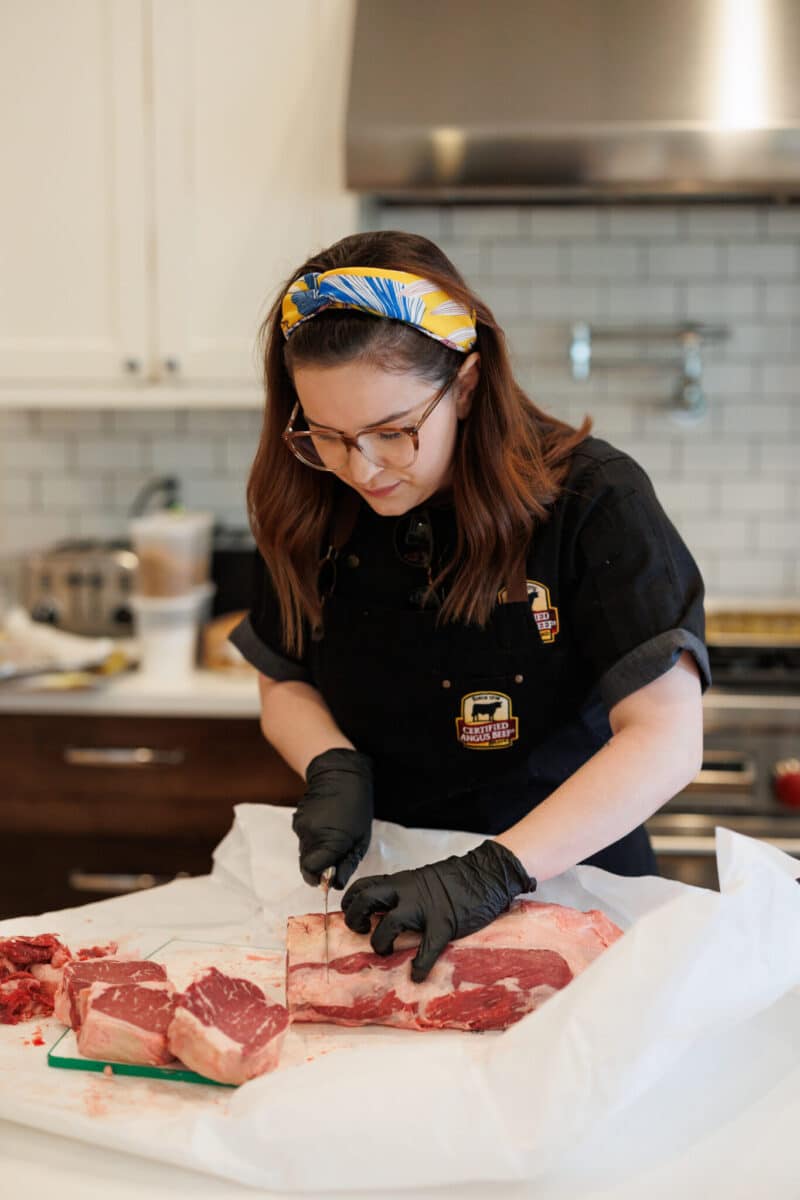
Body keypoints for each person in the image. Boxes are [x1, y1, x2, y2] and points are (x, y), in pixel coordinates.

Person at [230, 230, 709, 983]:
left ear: (466, 383)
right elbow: (283, 674)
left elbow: (666, 738)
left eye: (393, 432)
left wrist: (491, 873)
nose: (363, 468)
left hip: (571, 884)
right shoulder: (309, 497)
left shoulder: (592, 500)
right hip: (385, 896)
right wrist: (330, 762)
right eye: (327, 435)